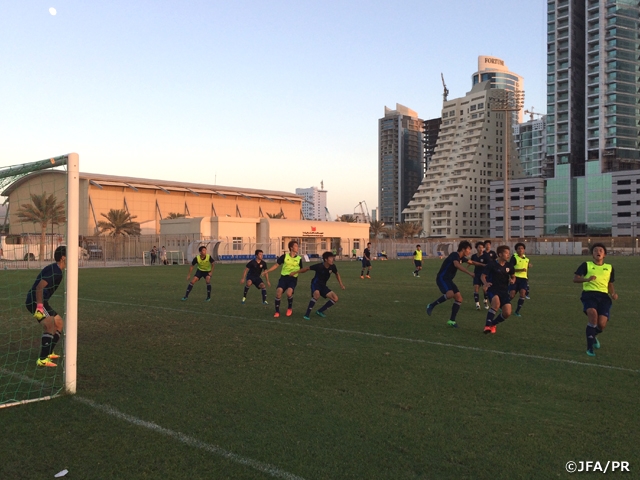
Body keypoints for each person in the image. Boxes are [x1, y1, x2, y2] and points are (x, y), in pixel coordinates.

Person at [573, 243, 618, 357]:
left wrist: (612, 293)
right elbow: (575, 279)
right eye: (595, 250)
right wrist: (587, 279)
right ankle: (589, 348)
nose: (598, 252)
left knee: (601, 324)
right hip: (589, 295)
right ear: (592, 254)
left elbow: (610, 283)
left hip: (604, 297)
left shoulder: (609, 267)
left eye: (601, 251)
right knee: (593, 316)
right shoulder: (586, 265)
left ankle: (593, 336)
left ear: (604, 255)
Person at [25, 246, 66, 367]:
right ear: (63, 258)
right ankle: (42, 360)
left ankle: (48, 352)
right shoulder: (55, 271)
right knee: (50, 325)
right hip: (35, 301)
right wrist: (39, 306)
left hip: (41, 301)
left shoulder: (56, 269)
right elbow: (39, 287)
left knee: (58, 323)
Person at [426, 241, 475, 328]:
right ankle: (431, 305)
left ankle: (451, 321)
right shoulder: (454, 255)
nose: (469, 251)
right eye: (468, 249)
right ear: (463, 249)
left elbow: (472, 262)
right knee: (450, 294)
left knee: (459, 299)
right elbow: (456, 265)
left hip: (448, 280)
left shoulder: (461, 258)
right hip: (442, 278)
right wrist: (469, 273)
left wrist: (485, 265)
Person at [291, 251, 346, 320]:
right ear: (326, 259)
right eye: (331, 258)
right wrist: (295, 272)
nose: (332, 259)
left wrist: (341, 284)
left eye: (333, 258)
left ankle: (320, 311)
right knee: (317, 295)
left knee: (335, 298)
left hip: (323, 286)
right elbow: (307, 268)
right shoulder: (319, 266)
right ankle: (307, 314)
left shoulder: (332, 266)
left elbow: (337, 274)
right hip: (315, 284)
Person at [482, 245, 516, 334]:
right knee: (496, 304)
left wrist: (512, 280)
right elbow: (483, 276)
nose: (508, 255)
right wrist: (485, 284)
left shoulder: (509, 266)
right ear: (500, 254)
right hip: (493, 289)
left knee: (507, 313)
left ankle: (493, 324)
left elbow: (513, 276)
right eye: (506, 253)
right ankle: (487, 326)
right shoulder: (492, 264)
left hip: (504, 291)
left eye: (509, 253)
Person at [265, 240, 303, 318]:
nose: (297, 247)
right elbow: (276, 265)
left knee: (289, 293)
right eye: (296, 246)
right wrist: (267, 271)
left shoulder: (299, 258)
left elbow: (301, 270)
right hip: (283, 278)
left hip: (293, 279)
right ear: (291, 248)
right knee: (278, 293)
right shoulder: (285, 256)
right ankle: (277, 312)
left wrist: (295, 272)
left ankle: (289, 308)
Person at [509, 242, 532, 317]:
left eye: (522, 248)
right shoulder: (514, 258)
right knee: (512, 295)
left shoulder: (527, 259)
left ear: (524, 250)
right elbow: (510, 268)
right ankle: (503, 304)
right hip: (515, 278)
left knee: (522, 294)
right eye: (519, 248)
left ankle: (517, 311)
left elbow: (525, 267)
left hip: (523, 279)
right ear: (516, 250)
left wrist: (528, 266)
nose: (520, 250)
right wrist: (520, 270)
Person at [470, 242, 490, 310]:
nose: (481, 249)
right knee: (476, 288)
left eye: (482, 247)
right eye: (479, 247)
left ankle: (485, 300)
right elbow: (471, 263)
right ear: (476, 248)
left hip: (484, 275)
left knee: (485, 289)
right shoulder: (473, 256)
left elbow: (489, 265)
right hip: (476, 274)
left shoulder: (486, 256)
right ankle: (477, 304)